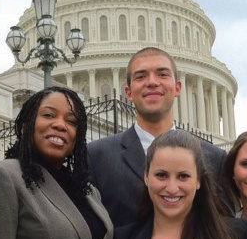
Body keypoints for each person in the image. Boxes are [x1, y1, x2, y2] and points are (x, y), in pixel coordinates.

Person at [88, 47, 228, 227]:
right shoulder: (97, 157)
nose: (152, 82)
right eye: (141, 76)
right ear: (128, 93)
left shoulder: (214, 159)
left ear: (177, 88)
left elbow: (225, 232)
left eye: (162, 75)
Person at [103, 130, 247, 239]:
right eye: (161, 175)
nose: (171, 188)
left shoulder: (238, 236)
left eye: (183, 176)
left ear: (198, 180)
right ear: (146, 177)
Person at [0, 86, 113, 239]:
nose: (60, 125)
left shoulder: (90, 193)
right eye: (48, 115)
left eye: (71, 121)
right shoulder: (6, 176)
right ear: (25, 126)